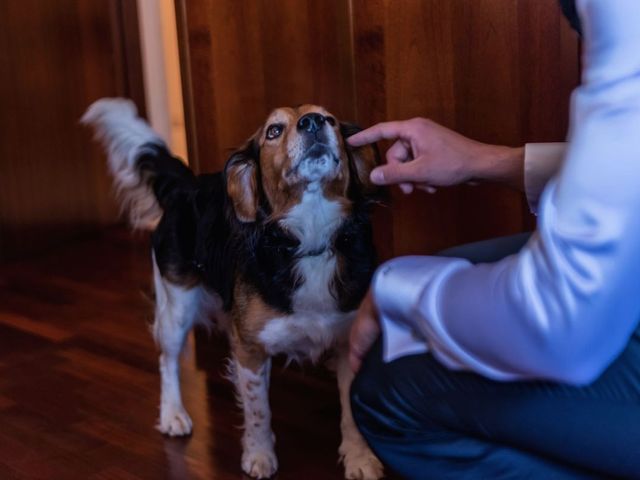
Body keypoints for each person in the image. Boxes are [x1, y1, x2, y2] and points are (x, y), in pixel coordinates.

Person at [347, 0, 640, 478]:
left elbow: (563, 322)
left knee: (390, 382)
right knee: (454, 270)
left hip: (572, 320)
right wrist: (483, 161)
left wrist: (395, 289)